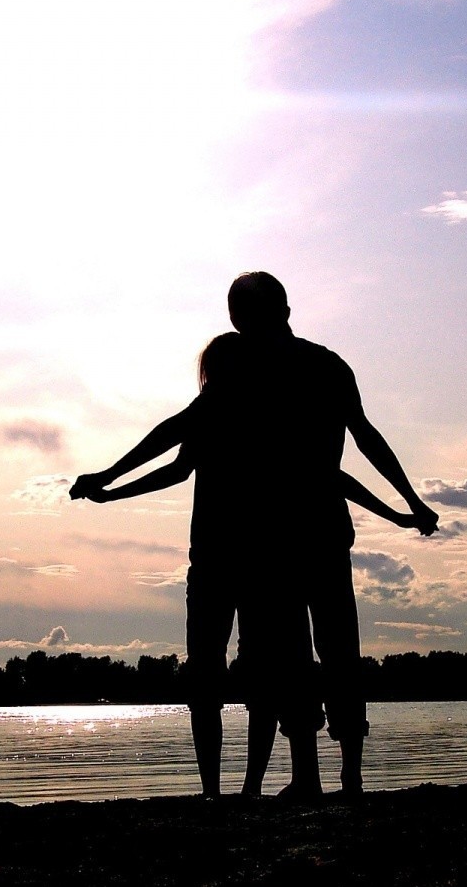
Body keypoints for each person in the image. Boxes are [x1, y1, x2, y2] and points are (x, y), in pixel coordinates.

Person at [73, 272, 438, 797]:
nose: (240, 327)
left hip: (279, 538)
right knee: (326, 651)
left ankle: (319, 775)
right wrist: (410, 502)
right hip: (306, 534)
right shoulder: (322, 365)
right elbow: (362, 441)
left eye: (242, 316)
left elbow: (178, 431)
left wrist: (108, 476)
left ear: (264, 314)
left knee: (304, 655)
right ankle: (338, 775)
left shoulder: (253, 371)